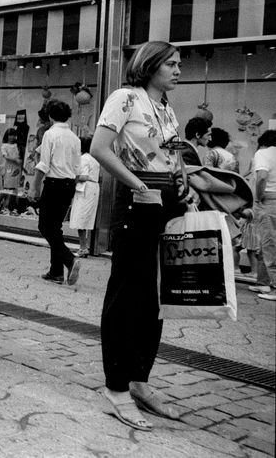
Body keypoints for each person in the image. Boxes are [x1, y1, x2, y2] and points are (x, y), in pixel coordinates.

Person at [90, 40, 196, 431]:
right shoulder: (125, 98)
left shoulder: (167, 108)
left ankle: (139, 380)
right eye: (171, 63)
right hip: (137, 201)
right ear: (149, 65)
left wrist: (183, 184)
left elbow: (174, 155)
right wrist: (138, 185)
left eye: (179, 64)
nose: (178, 70)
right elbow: (100, 148)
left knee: (158, 296)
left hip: (167, 201)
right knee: (127, 294)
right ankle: (116, 387)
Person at [31, 99, 82, 285]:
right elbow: (78, 168)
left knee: (45, 226)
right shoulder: (75, 138)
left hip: (53, 184)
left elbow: (44, 164)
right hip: (69, 185)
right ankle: (56, 271)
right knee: (56, 227)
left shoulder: (50, 135)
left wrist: (34, 187)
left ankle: (69, 259)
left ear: (51, 116)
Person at [247, 130, 276, 301]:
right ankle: (264, 282)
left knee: (268, 244)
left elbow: (262, 177)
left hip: (269, 201)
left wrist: (258, 197)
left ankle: (273, 286)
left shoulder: (263, 153)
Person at [71, 136, 100, 258]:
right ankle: (85, 245)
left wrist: (72, 176)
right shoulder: (95, 159)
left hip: (85, 188)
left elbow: (83, 176)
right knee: (87, 217)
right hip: (93, 188)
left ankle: (83, 247)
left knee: (80, 217)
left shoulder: (83, 159)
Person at [0, 128, 23, 213]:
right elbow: (5, 156)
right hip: (9, 168)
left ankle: (10, 207)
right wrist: (15, 160)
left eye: (14, 135)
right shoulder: (4, 146)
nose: (12, 137)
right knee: (7, 188)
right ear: (6, 136)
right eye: (10, 135)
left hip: (17, 168)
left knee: (15, 189)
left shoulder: (17, 146)